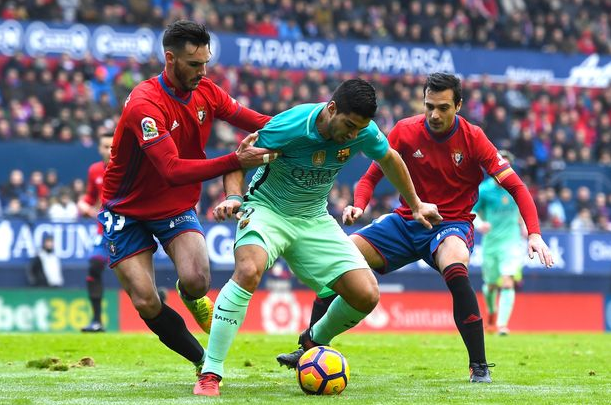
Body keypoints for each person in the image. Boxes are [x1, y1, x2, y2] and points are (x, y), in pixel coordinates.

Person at [276, 73, 554, 383]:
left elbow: (517, 187)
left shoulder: (474, 138)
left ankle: (479, 366)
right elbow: (370, 176)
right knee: (342, 259)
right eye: (429, 106)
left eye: (443, 107)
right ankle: (310, 347)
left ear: (458, 106)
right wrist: (360, 203)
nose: (435, 114)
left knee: (455, 266)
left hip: (451, 224)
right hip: (405, 221)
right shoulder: (405, 131)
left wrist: (534, 233)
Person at [199, 78, 442, 396]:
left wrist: (416, 204)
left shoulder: (363, 132)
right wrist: (233, 196)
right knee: (247, 270)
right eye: (350, 126)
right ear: (331, 109)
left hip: (313, 218)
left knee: (366, 294)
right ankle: (210, 372)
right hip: (267, 210)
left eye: (360, 129)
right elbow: (238, 160)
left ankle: (314, 341)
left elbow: (390, 159)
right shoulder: (290, 126)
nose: (354, 136)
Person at [98, 20, 277, 395]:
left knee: (197, 279)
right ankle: (201, 360)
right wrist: (235, 161)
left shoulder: (207, 91)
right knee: (146, 300)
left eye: (206, 62)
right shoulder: (145, 105)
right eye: (195, 64)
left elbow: (258, 121)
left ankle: (191, 295)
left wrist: (309, 129)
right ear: (170, 58)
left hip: (174, 207)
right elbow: (172, 169)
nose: (204, 71)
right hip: (126, 209)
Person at [472, 149, 526, 336]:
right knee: (490, 286)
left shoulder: (516, 186)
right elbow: (471, 211)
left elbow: (524, 205)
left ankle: (502, 325)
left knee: (507, 281)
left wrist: (526, 226)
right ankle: (492, 314)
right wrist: (479, 224)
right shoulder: (484, 190)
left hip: (511, 243)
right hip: (491, 243)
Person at [78, 131, 113, 332]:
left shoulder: (127, 167)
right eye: (105, 146)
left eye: (112, 146)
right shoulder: (94, 171)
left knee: (134, 279)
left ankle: (158, 299)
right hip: (103, 231)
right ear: (99, 148)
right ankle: (97, 321)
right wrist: (83, 204)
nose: (108, 150)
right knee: (94, 265)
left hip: (126, 230)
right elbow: (90, 197)